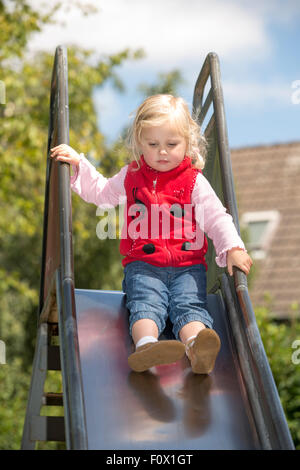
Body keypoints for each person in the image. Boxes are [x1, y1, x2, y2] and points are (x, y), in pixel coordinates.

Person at [50, 94, 252, 375]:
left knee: (190, 308)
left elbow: (216, 216)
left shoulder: (194, 182)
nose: (162, 152)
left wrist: (232, 246)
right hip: (143, 266)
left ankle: (196, 347)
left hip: (188, 267)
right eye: (153, 144)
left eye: (172, 144)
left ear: (187, 143)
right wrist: (79, 165)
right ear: (139, 143)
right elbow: (103, 193)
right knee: (144, 305)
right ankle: (146, 346)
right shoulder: (132, 175)